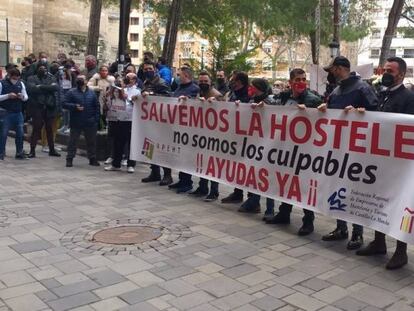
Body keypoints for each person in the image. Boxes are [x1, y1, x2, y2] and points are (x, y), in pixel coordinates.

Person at [356, 57, 414, 269]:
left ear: (401, 74)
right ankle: (379, 242)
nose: (385, 73)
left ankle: (401, 251)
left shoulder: (409, 97)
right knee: (378, 198)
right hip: (380, 159)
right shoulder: (381, 94)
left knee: (400, 203)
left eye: (390, 70)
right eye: (384, 69)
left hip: (399, 163)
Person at [319, 56, 378, 250]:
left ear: (340, 68)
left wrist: (362, 112)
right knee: (338, 187)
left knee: (354, 190)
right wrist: (324, 109)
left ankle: (357, 233)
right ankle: (341, 228)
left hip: (358, 149)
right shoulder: (336, 90)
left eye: (332, 69)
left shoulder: (363, 87)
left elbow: (377, 113)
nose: (331, 74)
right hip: (338, 148)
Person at [264, 69, 322, 235]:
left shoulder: (313, 99)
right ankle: (284, 213)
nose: (301, 82)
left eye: (304, 79)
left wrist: (313, 110)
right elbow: (271, 106)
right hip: (286, 148)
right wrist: (261, 105)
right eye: (298, 79)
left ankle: (308, 221)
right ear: (290, 82)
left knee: (303, 184)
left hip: (305, 150)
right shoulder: (283, 97)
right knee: (287, 182)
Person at [237, 78, 275, 214]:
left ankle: (270, 210)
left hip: (269, 144)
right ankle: (253, 202)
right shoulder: (251, 101)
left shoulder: (270, 100)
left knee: (267, 176)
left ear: (258, 88)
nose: (249, 89)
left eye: (252, 87)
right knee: (253, 174)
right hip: (255, 143)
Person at [189, 71, 224, 202]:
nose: (203, 83)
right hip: (203, 134)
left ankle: (214, 191)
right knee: (202, 162)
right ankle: (202, 187)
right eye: (201, 81)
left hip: (214, 137)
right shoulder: (200, 93)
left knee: (212, 165)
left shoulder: (216, 95)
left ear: (210, 83)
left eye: (205, 82)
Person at [140, 60, 173, 185]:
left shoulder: (161, 82)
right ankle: (154, 172)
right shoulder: (146, 82)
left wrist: (151, 94)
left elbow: (168, 98)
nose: (147, 71)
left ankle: (167, 174)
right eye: (145, 69)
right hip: (150, 121)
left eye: (150, 69)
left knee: (162, 148)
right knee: (150, 147)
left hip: (161, 122)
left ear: (155, 69)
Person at [168, 66, 200, 193]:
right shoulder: (179, 87)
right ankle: (182, 179)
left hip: (189, 128)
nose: (177, 77)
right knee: (180, 155)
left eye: (179, 74)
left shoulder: (194, 89)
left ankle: (187, 182)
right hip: (178, 127)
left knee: (187, 156)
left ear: (186, 75)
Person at [221, 71, 250, 204]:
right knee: (237, 164)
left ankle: (251, 198)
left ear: (240, 82)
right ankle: (237, 192)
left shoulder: (248, 94)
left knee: (247, 165)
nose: (231, 81)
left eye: (234, 80)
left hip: (246, 135)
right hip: (234, 133)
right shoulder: (233, 93)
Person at [104, 73, 139, 173]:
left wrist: (126, 97)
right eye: (126, 78)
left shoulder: (137, 91)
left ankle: (131, 164)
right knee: (117, 143)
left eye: (130, 79)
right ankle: (116, 164)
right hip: (118, 118)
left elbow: (135, 103)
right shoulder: (121, 88)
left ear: (135, 80)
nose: (128, 80)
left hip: (130, 119)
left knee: (130, 143)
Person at [63, 75, 100, 167]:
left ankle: (92, 158)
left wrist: (96, 119)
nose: (80, 81)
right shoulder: (71, 92)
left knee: (91, 141)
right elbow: (64, 103)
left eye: (82, 79)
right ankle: (69, 159)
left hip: (90, 121)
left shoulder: (92, 93)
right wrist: (74, 107)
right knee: (73, 141)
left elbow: (97, 106)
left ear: (86, 81)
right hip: (76, 121)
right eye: (78, 79)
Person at [26, 63, 61, 158]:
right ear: (37, 69)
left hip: (49, 106)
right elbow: (32, 89)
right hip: (37, 106)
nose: (43, 69)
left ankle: (52, 149)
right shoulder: (31, 78)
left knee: (49, 128)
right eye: (41, 68)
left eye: (45, 68)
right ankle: (32, 150)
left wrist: (40, 86)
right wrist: (47, 88)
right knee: (36, 128)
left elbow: (55, 88)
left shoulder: (51, 78)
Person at [0, 68, 28, 160]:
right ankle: (1, 152)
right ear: (9, 76)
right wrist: (8, 96)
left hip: (18, 112)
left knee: (20, 133)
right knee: (3, 133)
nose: (15, 80)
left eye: (17, 78)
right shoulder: (2, 83)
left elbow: (26, 97)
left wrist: (22, 96)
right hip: (6, 112)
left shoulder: (21, 84)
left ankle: (19, 152)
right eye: (13, 78)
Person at [87, 65, 115, 129]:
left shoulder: (111, 80)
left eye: (106, 71)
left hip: (107, 99)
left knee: (107, 113)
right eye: (103, 71)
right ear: (100, 71)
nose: (104, 72)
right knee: (98, 112)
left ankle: (106, 126)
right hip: (97, 98)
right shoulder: (95, 78)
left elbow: (114, 88)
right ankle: (99, 126)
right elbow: (88, 86)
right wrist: (96, 88)